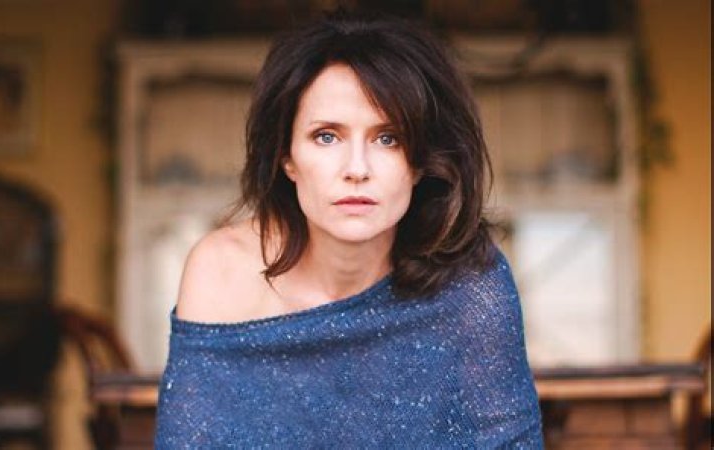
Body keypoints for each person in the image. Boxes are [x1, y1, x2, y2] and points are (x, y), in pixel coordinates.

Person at [155, 10, 542, 448]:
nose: (356, 169)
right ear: (286, 157)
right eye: (326, 136)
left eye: (388, 138)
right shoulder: (220, 271)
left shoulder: (471, 283)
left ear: (421, 162)